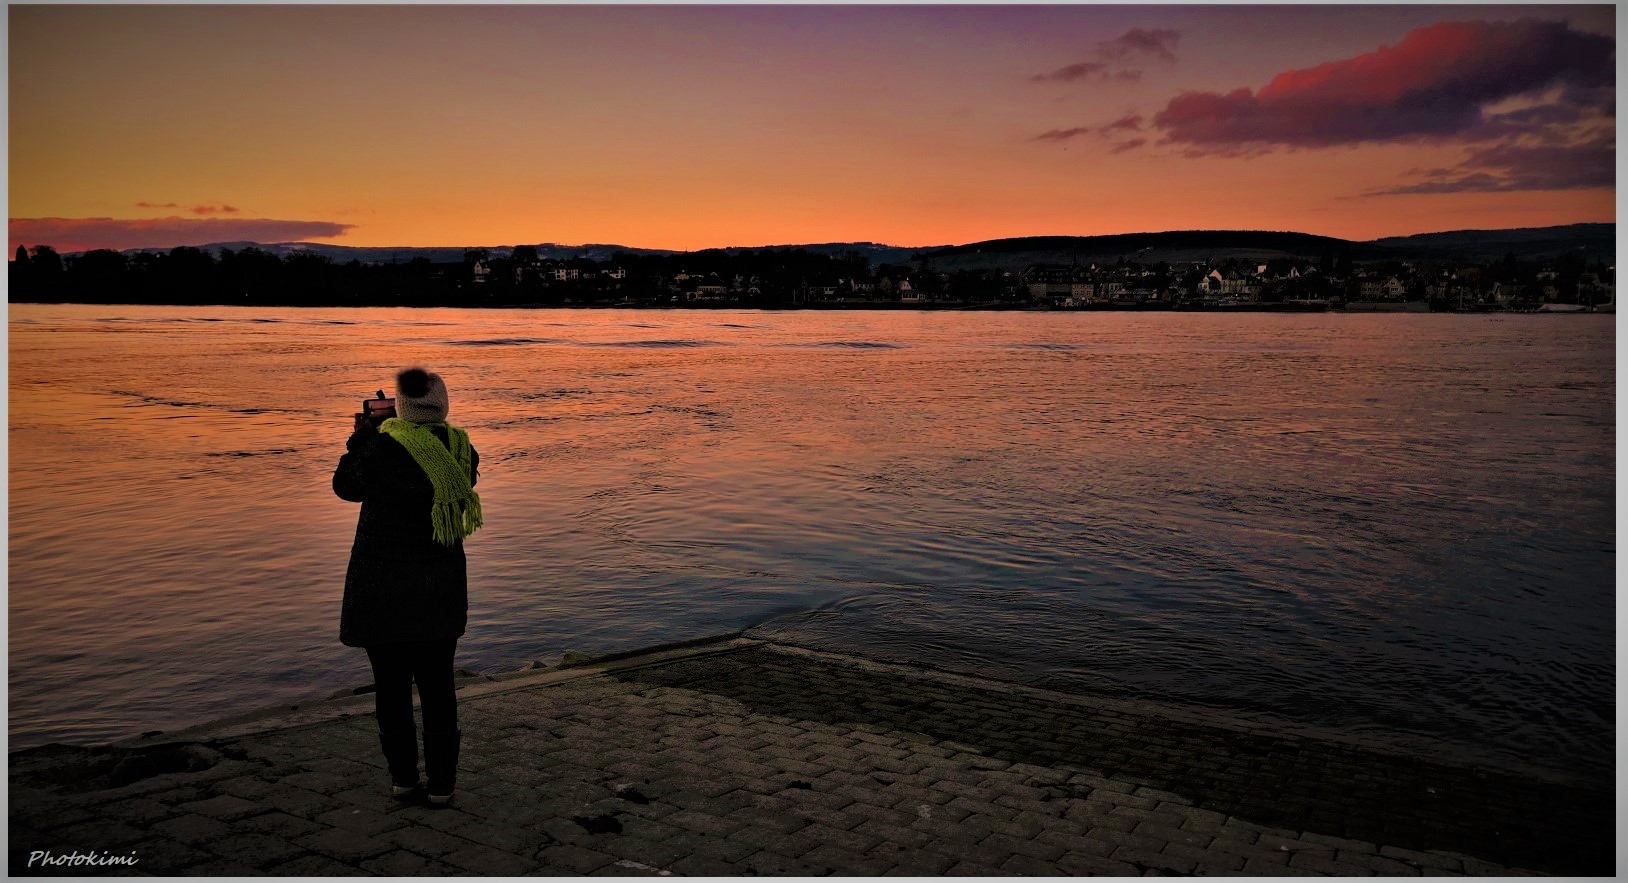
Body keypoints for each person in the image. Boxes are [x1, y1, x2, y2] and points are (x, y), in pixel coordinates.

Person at [333, 367, 482, 806]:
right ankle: (442, 786)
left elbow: (345, 487)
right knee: (439, 688)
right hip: (439, 587)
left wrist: (361, 436)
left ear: (400, 406)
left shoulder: (381, 447)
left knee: (391, 687)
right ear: (443, 404)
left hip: (382, 587)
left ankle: (403, 780)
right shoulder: (461, 448)